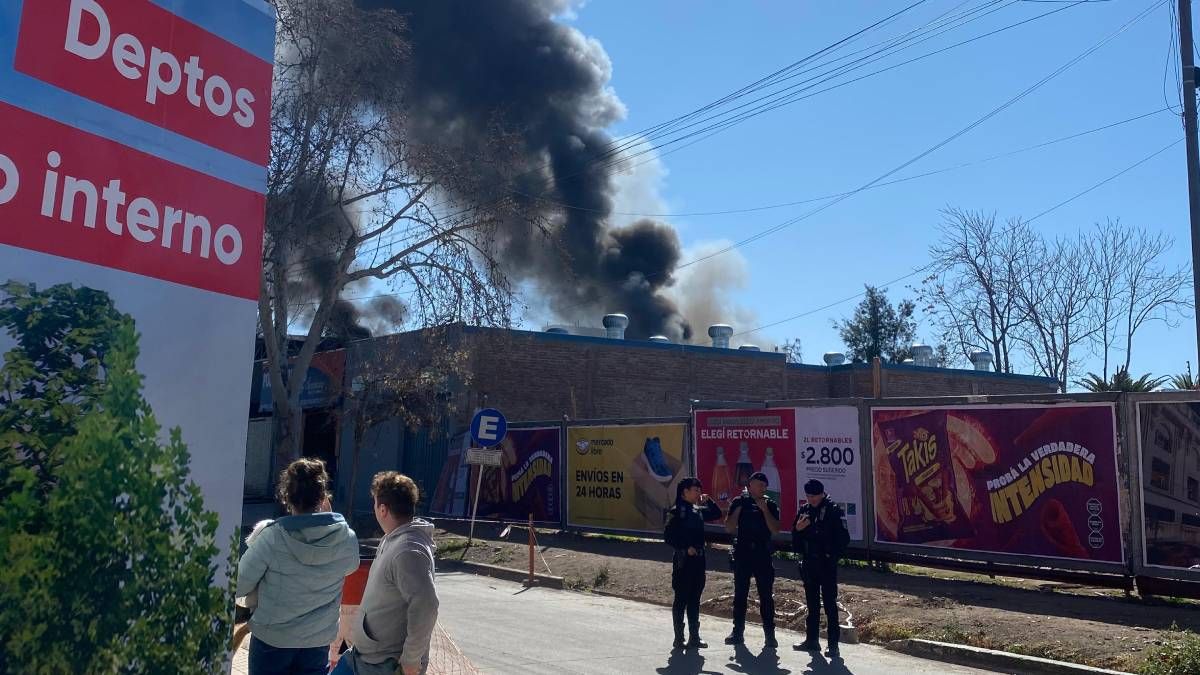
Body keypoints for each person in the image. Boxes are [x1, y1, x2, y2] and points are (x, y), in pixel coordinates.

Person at [236, 458, 360, 675]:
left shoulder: (272, 537)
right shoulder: (345, 538)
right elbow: (351, 566)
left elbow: (238, 584)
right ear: (322, 497)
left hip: (272, 641)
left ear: (287, 497)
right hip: (317, 641)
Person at [331, 472, 439, 675]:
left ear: (382, 509)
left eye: (374, 503)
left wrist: (411, 660)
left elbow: (427, 605)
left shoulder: (408, 550)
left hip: (384, 665)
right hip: (363, 657)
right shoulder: (393, 539)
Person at [791, 479, 851, 658]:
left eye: (814, 496)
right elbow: (795, 539)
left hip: (826, 564)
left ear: (822, 493)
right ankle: (812, 641)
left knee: (830, 605)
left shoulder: (833, 510)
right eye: (808, 496)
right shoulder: (805, 510)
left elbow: (843, 539)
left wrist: (829, 553)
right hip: (809, 563)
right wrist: (798, 529)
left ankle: (833, 645)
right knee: (812, 604)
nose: (811, 499)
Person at [663, 477, 724, 649]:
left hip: (699, 560)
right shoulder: (675, 511)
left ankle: (694, 637)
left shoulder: (697, 510)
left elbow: (717, 514)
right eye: (695, 490)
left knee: (695, 598)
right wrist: (684, 547)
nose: (698, 492)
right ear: (685, 492)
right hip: (683, 560)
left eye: (699, 490)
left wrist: (709, 501)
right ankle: (679, 638)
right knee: (681, 598)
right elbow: (668, 537)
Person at [724, 471, 781, 648]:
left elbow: (775, 529)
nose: (761, 488)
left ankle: (769, 635)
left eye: (764, 486)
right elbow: (729, 527)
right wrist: (737, 511)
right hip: (743, 554)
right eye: (758, 485)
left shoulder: (770, 504)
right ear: (749, 486)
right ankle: (737, 631)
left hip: (762, 554)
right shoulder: (738, 502)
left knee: (766, 596)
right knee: (740, 594)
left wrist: (764, 510)